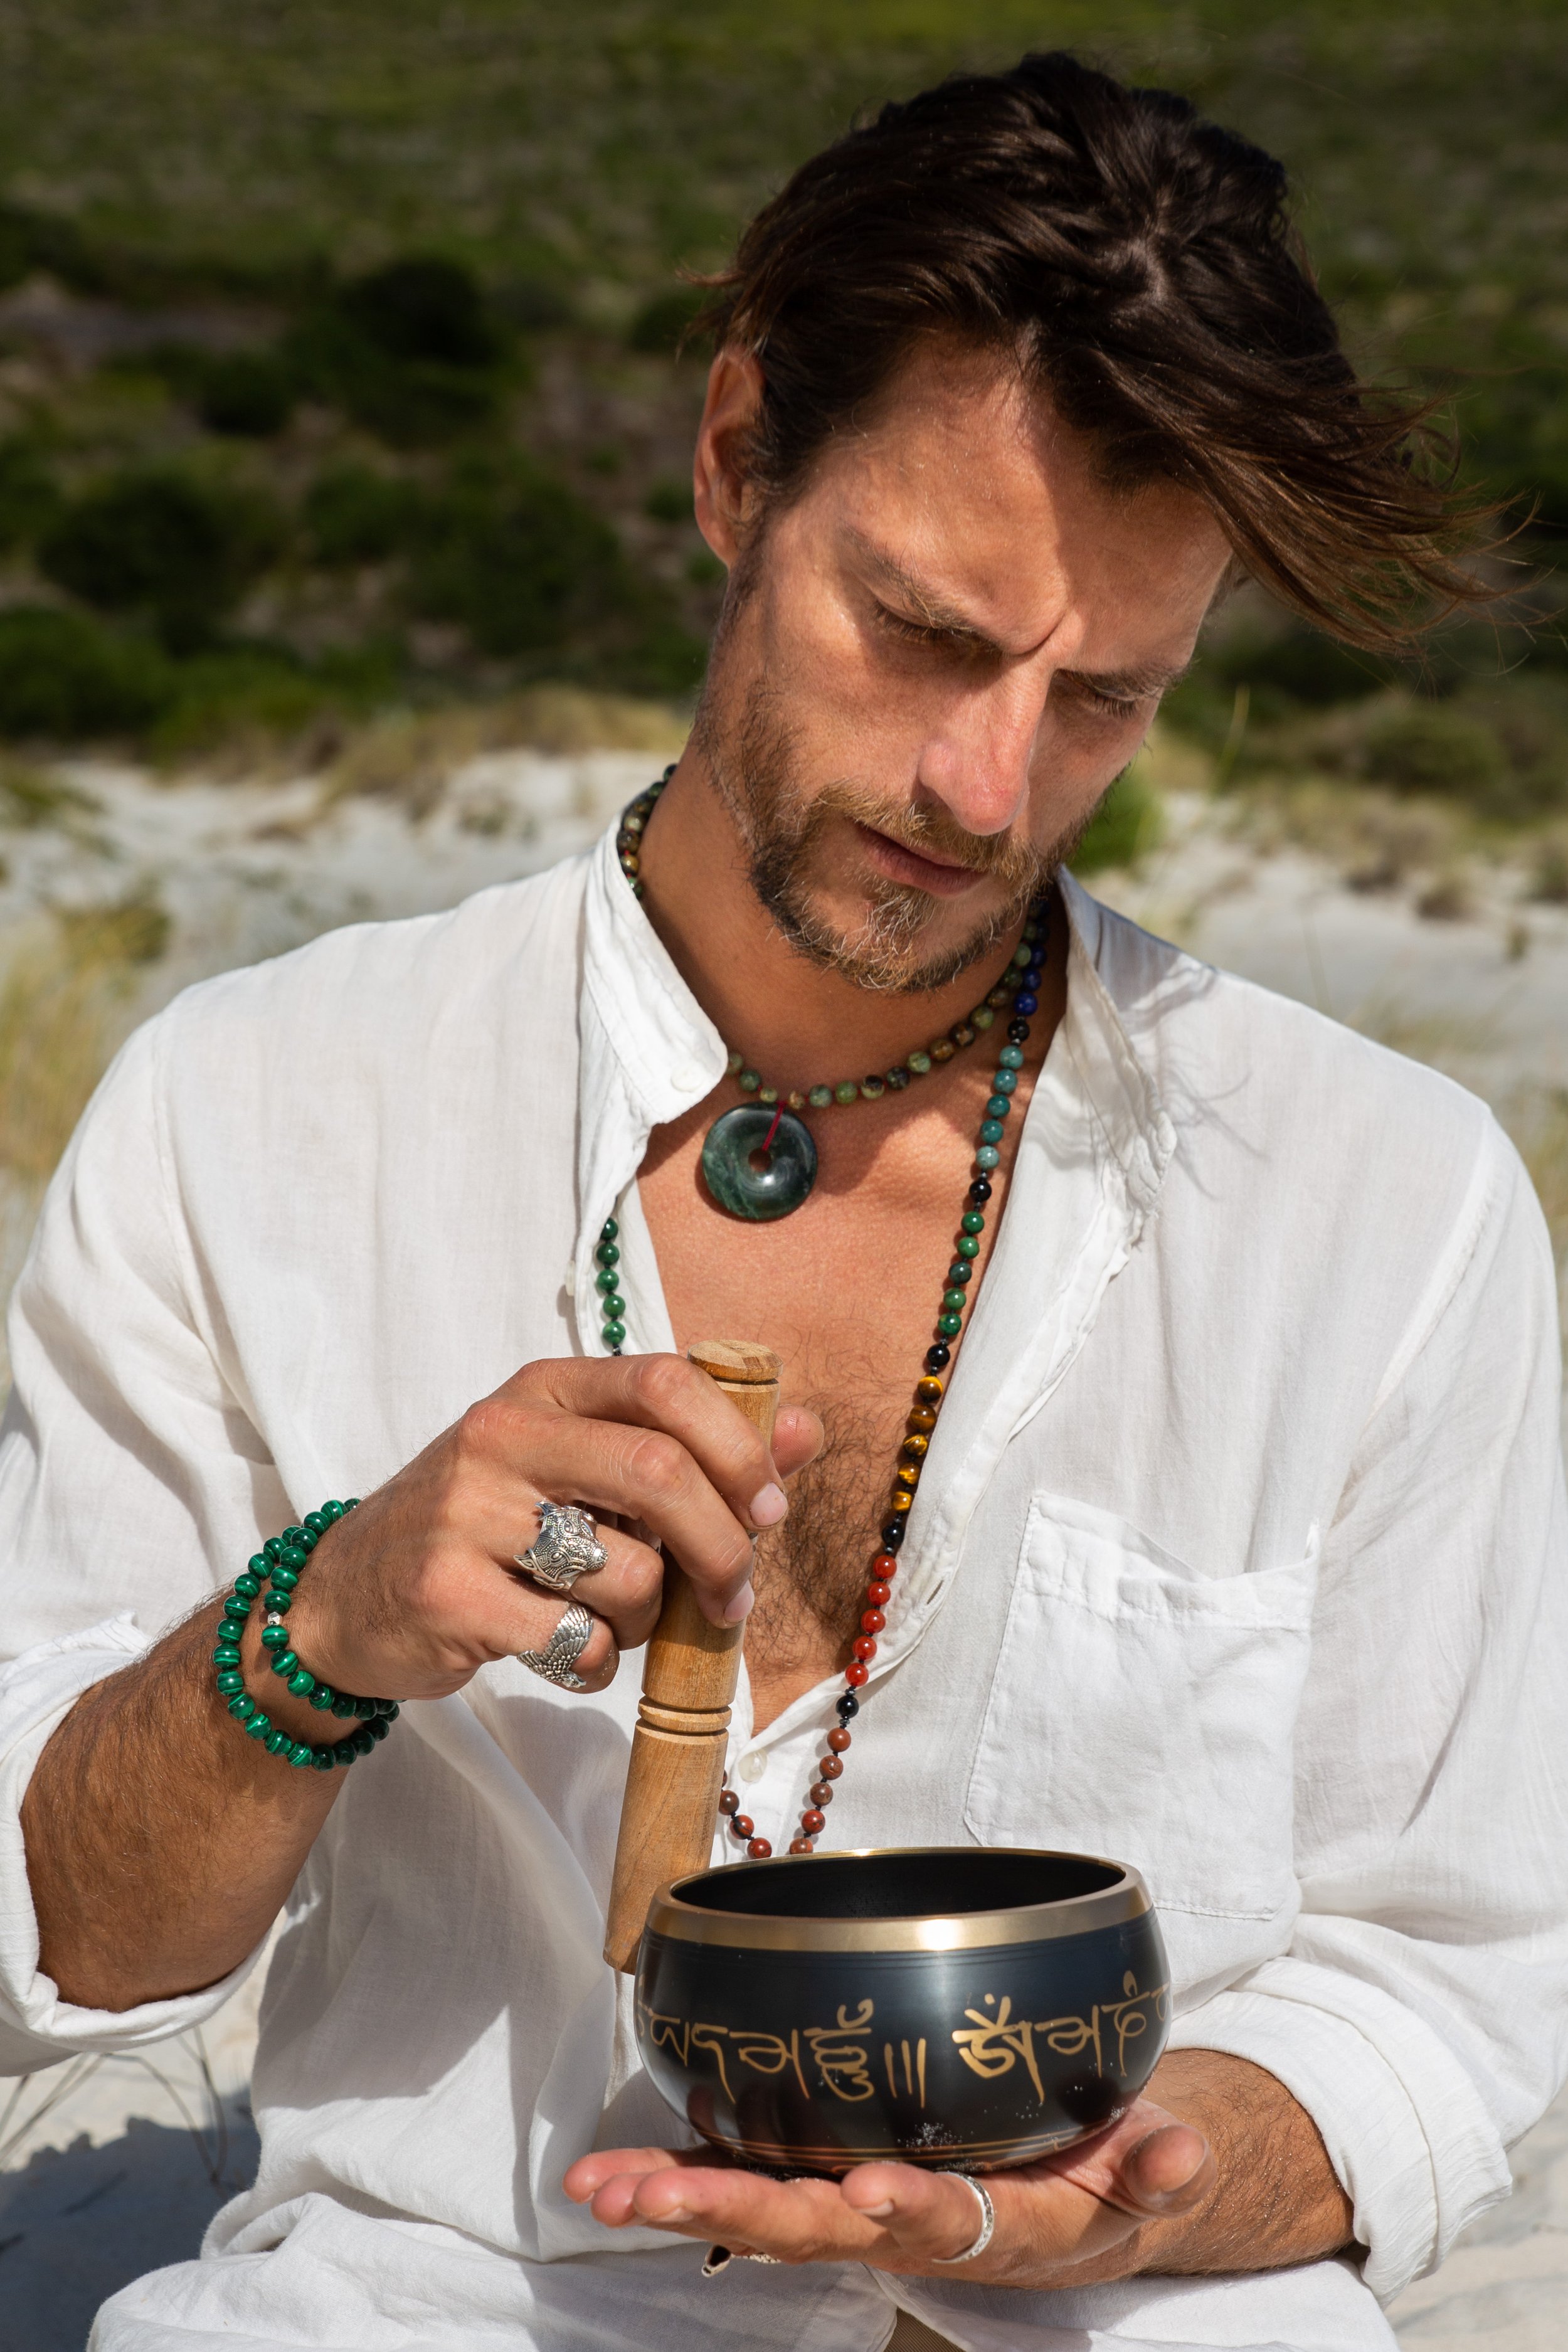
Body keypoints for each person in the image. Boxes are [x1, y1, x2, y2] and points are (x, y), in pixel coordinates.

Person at [2, 49, 1564, 2352]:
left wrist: (1125, 2204)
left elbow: (1452, 1977)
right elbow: (69, 1954)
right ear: (736, 461)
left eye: (1104, 698)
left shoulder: (1383, 1198)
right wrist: (318, 1627)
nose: (984, 782)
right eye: (922, 632)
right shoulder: (248, 1112)